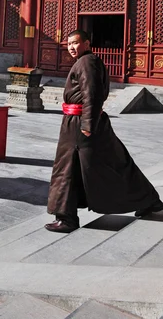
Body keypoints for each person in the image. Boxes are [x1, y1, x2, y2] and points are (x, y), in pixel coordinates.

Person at [45, 29, 163, 233]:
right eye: (69, 44)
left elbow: (92, 94)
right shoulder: (87, 61)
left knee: (66, 168)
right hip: (88, 121)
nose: (72, 47)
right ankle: (150, 201)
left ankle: (66, 218)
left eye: (75, 43)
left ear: (87, 43)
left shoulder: (86, 62)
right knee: (116, 162)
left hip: (80, 123)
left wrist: (88, 125)